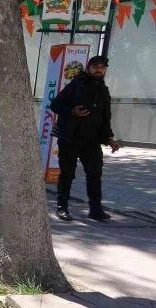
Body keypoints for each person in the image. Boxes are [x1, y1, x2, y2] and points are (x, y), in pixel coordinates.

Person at [49, 55, 121, 222]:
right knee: (67, 174)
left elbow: (105, 118)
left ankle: (95, 210)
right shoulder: (76, 84)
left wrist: (109, 138)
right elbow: (55, 104)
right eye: (96, 66)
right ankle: (62, 208)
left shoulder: (103, 90)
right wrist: (72, 111)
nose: (99, 70)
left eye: (102, 67)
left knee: (95, 174)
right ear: (89, 68)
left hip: (92, 141)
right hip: (70, 138)